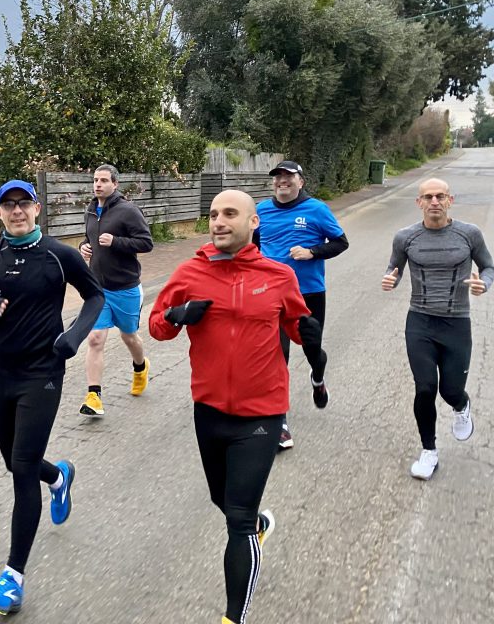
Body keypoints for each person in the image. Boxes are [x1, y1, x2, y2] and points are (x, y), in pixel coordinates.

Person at [149, 189, 326, 624]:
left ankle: (234, 616)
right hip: (208, 410)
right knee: (222, 500)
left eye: (230, 213)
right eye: (213, 215)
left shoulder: (279, 275)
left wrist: (311, 334)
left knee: (239, 519)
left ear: (253, 222)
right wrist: (176, 316)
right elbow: (156, 326)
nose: (219, 221)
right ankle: (256, 527)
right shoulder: (190, 272)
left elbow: (297, 327)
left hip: (262, 414)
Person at [0, 179, 104, 615]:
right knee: (14, 461)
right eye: (8, 205)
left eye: (24, 204)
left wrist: (73, 338)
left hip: (43, 372)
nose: (17, 211)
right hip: (1, 372)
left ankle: (13, 578)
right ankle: (58, 477)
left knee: (21, 468)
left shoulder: (59, 256)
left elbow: (94, 296)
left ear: (37, 208)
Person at [381, 177, 494, 480]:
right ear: (418, 202)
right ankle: (429, 450)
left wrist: (485, 283)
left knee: (450, 390)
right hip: (419, 321)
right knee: (425, 388)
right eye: (428, 197)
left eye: (440, 196)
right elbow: (393, 267)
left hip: (457, 322)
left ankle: (462, 404)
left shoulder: (469, 234)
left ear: (450, 200)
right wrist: (390, 279)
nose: (434, 202)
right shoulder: (405, 237)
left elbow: (488, 266)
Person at [254, 160, 348, 451]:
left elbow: (340, 242)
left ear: (300, 182)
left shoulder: (317, 210)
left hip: (308, 293)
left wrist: (312, 251)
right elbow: (252, 245)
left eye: (288, 177)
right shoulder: (261, 211)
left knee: (312, 350)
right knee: (276, 355)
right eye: (278, 177)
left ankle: (317, 378)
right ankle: (278, 421)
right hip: (271, 294)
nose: (282, 181)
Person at [77, 164, 154, 416]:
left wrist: (116, 241)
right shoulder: (90, 210)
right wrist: (84, 247)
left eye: (103, 180)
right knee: (95, 338)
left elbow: (146, 242)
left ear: (115, 184)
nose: (98, 184)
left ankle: (140, 366)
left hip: (125, 288)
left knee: (129, 336)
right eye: (95, 180)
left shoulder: (128, 211)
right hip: (98, 288)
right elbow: (89, 238)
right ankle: (94, 396)